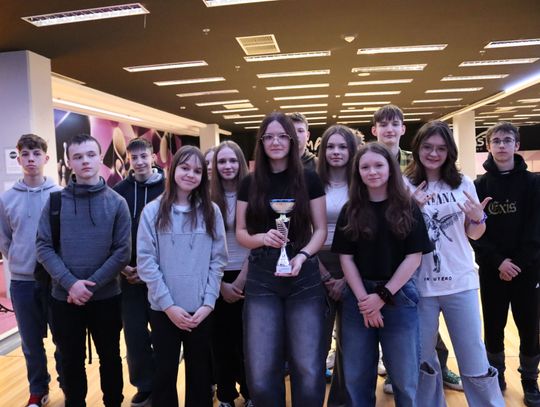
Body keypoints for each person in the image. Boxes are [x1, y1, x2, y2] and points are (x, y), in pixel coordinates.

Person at [403, 121, 504, 407]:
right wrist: (410, 209)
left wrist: (477, 219)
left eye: (441, 148)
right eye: (427, 147)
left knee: (473, 356)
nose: (434, 153)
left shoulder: (463, 183)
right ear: (417, 149)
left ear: (450, 151)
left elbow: (474, 233)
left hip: (461, 281)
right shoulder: (403, 185)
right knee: (422, 360)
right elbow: (397, 235)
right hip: (419, 285)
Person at [236, 112, 327, 407]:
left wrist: (302, 256)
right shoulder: (249, 183)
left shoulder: (309, 179)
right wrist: (263, 238)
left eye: (282, 136)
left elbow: (320, 230)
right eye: (269, 137)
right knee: (261, 372)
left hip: (304, 276)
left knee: (309, 368)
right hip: (262, 277)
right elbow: (241, 233)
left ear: (292, 140)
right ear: (261, 142)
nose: (275, 142)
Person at [332, 142, 432, 407]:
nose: (372, 171)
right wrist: (366, 302)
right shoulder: (350, 210)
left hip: (399, 296)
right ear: (358, 172)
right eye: (365, 167)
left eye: (378, 165)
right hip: (358, 298)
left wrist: (382, 296)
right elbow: (346, 258)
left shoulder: (408, 207)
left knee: (405, 379)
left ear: (390, 168)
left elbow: (414, 257)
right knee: (356, 379)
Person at [372, 104, 462, 393]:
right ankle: (395, 371)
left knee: (418, 317)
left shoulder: (416, 163)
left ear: (403, 128)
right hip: (381, 249)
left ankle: (439, 367)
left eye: (394, 123)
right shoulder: (367, 159)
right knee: (391, 315)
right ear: (374, 130)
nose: (389, 129)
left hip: (415, 250)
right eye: (383, 124)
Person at [36, 134, 131, 407]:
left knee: (110, 357)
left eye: (90, 155)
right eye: (77, 157)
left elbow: (122, 252)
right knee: (70, 360)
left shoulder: (117, 203)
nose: (85, 161)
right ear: (69, 162)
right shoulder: (55, 202)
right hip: (64, 299)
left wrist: (89, 286)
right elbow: (43, 246)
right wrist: (71, 284)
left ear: (100, 158)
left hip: (106, 298)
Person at [137, 145, 227, 407]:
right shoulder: (152, 211)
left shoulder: (211, 211)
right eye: (185, 168)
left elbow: (218, 260)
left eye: (197, 171)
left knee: (200, 376)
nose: (190, 174)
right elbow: (146, 263)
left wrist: (209, 302)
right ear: (173, 169)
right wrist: (168, 306)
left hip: (200, 310)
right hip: (164, 309)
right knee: (164, 375)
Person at [471, 122, 540, 406]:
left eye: (507, 140)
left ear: (516, 145)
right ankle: (496, 373)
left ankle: (530, 380)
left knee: (529, 326)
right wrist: (499, 262)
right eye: (496, 141)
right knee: (494, 325)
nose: (501, 145)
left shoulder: (534, 183)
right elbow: (475, 233)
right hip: (492, 270)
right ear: (488, 146)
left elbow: (536, 228)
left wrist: (518, 263)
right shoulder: (478, 186)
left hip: (528, 269)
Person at [0, 134, 63, 407]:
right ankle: (38, 390)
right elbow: (5, 240)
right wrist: (19, 260)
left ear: (46, 158)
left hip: (56, 281)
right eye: (25, 154)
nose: (31, 159)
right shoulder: (7, 198)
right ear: (18, 158)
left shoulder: (59, 194)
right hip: (23, 283)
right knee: (30, 343)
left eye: (36, 154)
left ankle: (68, 384)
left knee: (63, 339)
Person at [113, 138, 164, 407]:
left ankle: (163, 383)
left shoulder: (169, 189)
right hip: (128, 277)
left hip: (161, 275)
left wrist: (149, 270)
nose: (140, 162)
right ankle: (145, 384)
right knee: (134, 336)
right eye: (134, 158)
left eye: (144, 156)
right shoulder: (119, 191)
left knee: (163, 334)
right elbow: (110, 233)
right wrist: (122, 266)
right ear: (129, 161)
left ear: (153, 157)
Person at [316, 124, 358, 407]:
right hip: (316, 265)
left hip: (354, 266)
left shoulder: (362, 183)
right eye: (330, 146)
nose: (336, 152)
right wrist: (326, 276)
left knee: (350, 344)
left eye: (342, 146)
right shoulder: (312, 183)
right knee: (316, 344)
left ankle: (341, 402)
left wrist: (346, 277)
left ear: (352, 150)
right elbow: (302, 232)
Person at [209, 140, 252, 407]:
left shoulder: (253, 194)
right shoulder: (206, 197)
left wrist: (240, 281)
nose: (227, 166)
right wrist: (221, 284)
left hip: (248, 274)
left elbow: (257, 241)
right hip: (216, 276)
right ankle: (225, 396)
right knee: (220, 342)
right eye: (222, 161)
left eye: (233, 160)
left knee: (247, 342)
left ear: (241, 163)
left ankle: (250, 393)